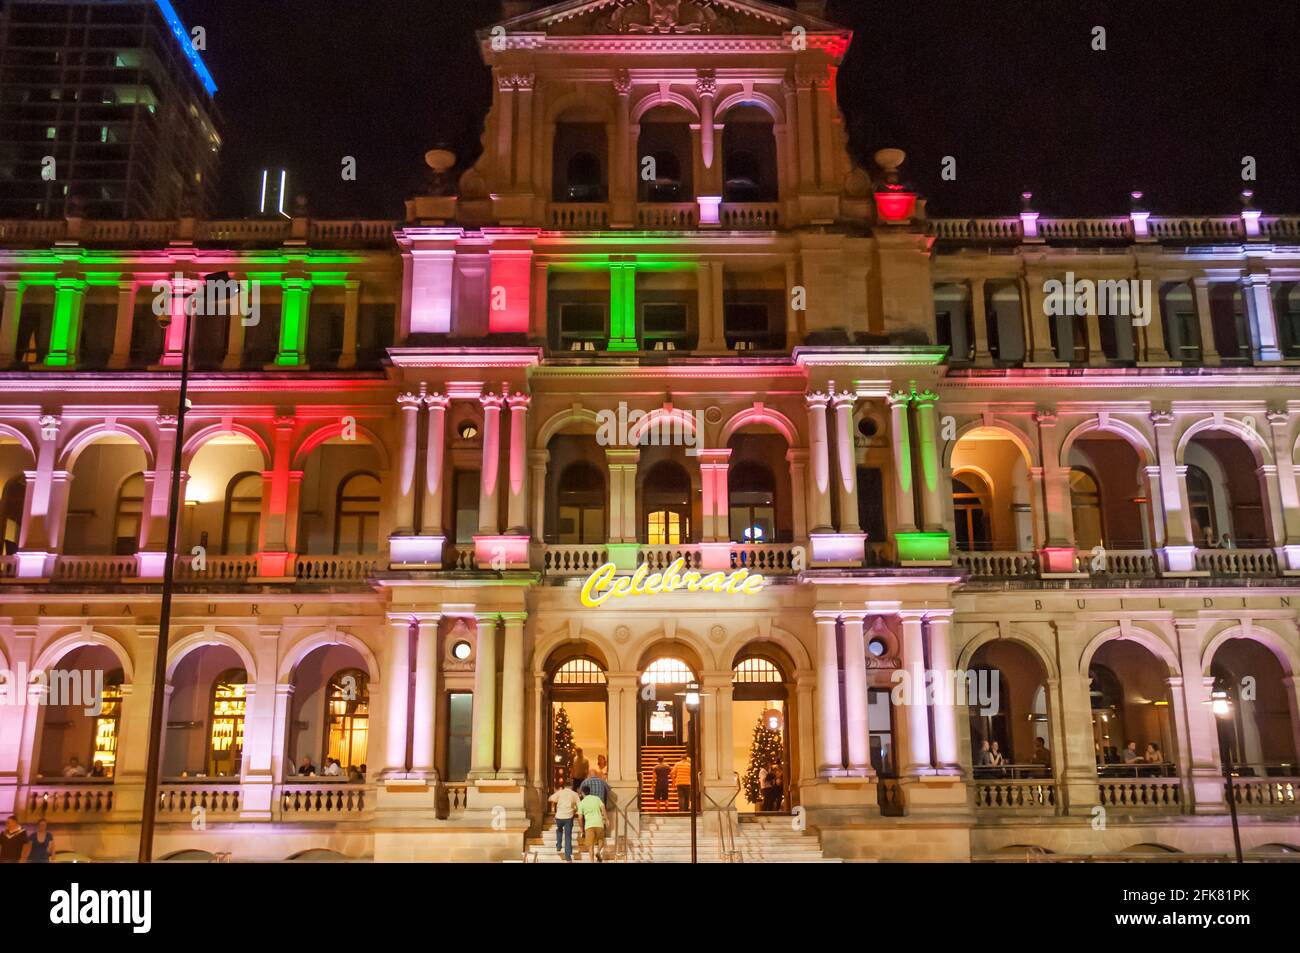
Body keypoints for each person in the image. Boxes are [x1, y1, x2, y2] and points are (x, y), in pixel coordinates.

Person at [548, 780, 582, 862]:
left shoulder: (560, 792)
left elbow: (550, 799)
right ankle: (568, 857)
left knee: (559, 830)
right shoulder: (575, 794)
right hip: (568, 817)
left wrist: (557, 800)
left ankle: (559, 845)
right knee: (568, 836)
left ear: (564, 786)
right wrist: (575, 809)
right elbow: (580, 806)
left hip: (559, 816)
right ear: (572, 786)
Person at [578, 788, 608, 862]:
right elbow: (603, 807)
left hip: (589, 826)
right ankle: (598, 851)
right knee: (601, 840)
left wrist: (581, 828)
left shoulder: (581, 803)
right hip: (599, 823)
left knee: (590, 846)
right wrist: (606, 818)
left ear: (582, 793)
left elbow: (580, 818)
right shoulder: (596, 798)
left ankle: (592, 861)